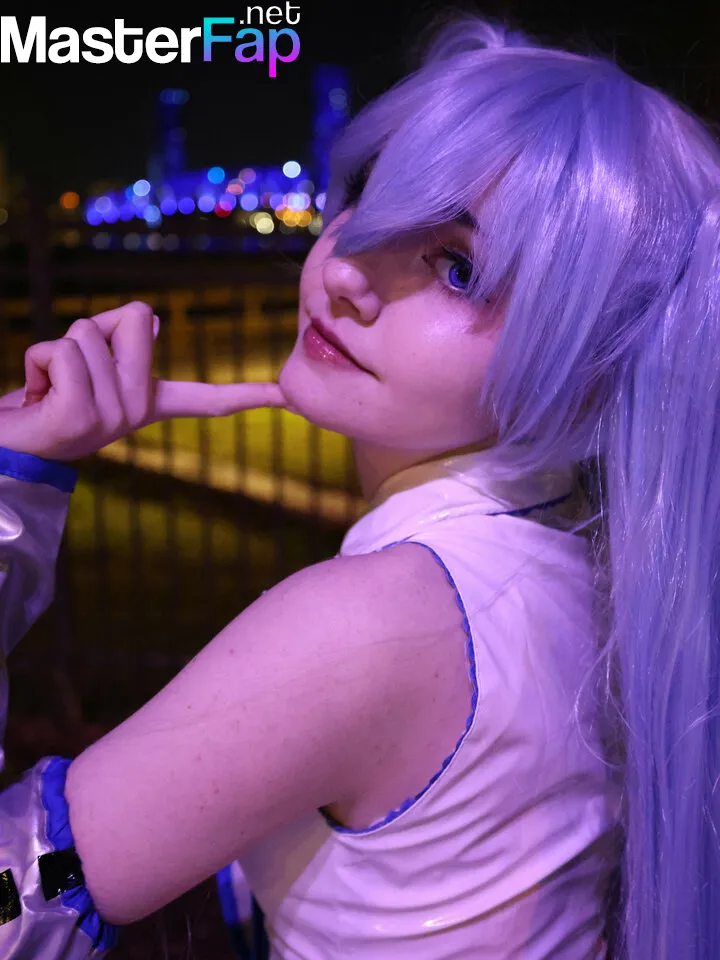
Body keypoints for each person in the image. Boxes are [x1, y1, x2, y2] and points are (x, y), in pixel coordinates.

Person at [4, 11, 720, 958]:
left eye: (458, 268)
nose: (346, 268)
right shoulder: (583, 553)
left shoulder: (379, 624)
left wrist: (14, 480)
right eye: (377, 198)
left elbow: (19, 902)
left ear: (590, 371)